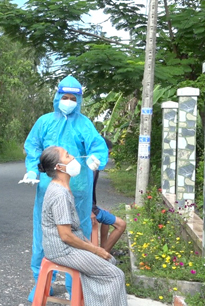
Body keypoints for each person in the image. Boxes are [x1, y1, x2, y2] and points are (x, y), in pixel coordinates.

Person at [20, 75, 108, 301]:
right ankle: (42, 282)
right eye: (64, 97)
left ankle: (75, 283)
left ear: (78, 100)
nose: (68, 101)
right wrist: (32, 169)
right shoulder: (44, 121)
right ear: (57, 96)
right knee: (45, 234)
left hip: (78, 189)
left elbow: (97, 146)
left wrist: (96, 159)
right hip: (49, 187)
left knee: (78, 233)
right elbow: (33, 147)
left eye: (72, 98)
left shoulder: (85, 124)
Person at [38, 146, 128, 305]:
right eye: (67, 156)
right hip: (62, 250)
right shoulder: (59, 194)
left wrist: (91, 247)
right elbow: (66, 236)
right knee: (115, 275)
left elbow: (73, 232)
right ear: (59, 167)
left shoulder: (63, 188)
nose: (73, 157)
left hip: (67, 246)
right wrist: (96, 249)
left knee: (109, 262)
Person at [91, 137, 126, 253]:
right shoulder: (92, 169)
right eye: (108, 153)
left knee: (107, 213)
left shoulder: (94, 167)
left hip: (91, 207)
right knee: (121, 225)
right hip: (88, 209)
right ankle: (104, 254)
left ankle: (104, 248)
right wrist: (91, 211)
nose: (108, 157)